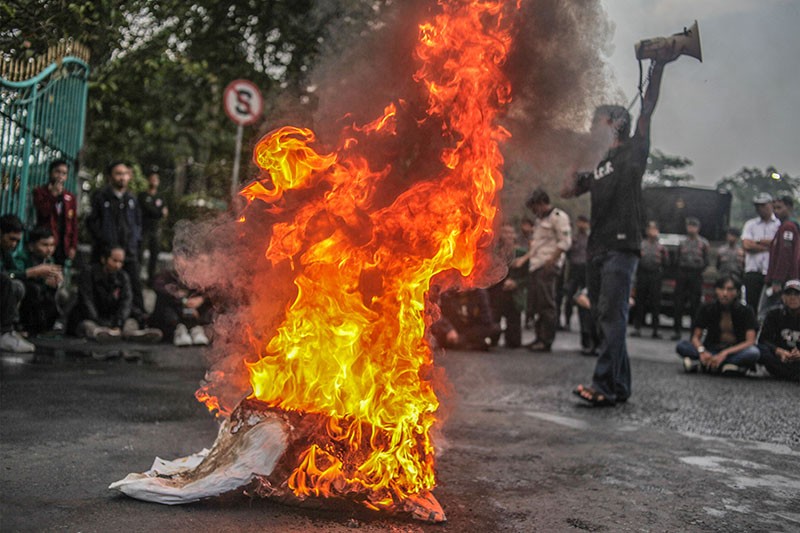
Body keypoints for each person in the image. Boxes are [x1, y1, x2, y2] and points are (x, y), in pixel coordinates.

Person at [561, 48, 677, 406]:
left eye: (598, 123)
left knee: (612, 316)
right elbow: (567, 188)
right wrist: (580, 157)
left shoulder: (633, 152)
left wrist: (657, 67)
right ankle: (620, 386)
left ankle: (605, 385)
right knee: (602, 317)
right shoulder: (600, 164)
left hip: (621, 247)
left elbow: (648, 109)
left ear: (614, 125)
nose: (592, 128)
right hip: (597, 247)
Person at [512, 188, 571, 352]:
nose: (534, 211)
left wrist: (551, 261)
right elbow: (536, 246)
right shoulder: (540, 220)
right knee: (537, 304)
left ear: (541, 203)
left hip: (547, 266)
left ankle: (546, 340)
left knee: (547, 304)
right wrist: (523, 260)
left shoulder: (558, 217)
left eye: (535, 207)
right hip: (536, 266)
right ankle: (538, 337)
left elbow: (564, 242)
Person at [86, 161, 146, 318]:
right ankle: (98, 318)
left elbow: (138, 225)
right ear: (110, 176)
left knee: (134, 285)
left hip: (129, 252)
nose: (122, 177)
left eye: (125, 173)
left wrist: (134, 244)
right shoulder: (100, 197)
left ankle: (138, 319)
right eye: (118, 173)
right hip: (106, 252)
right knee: (102, 285)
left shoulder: (132, 199)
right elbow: (92, 223)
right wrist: (106, 243)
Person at [68, 246, 162, 343]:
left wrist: (119, 323)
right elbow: (86, 302)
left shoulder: (123, 277)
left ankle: (132, 334)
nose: (118, 265)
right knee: (88, 325)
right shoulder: (88, 273)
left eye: (121, 262)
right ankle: (101, 334)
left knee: (130, 323)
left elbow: (126, 302)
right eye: (114, 261)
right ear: (104, 259)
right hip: (91, 317)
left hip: (113, 318)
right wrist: (100, 322)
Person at [675, 274, 760, 375]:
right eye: (721, 289)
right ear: (716, 290)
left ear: (736, 292)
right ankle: (723, 366)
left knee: (753, 353)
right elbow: (695, 337)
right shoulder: (707, 308)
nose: (725, 293)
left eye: (729, 290)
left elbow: (750, 341)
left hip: (733, 351)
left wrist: (725, 353)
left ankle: (705, 364)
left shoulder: (746, 311)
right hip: (712, 350)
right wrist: (702, 351)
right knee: (682, 346)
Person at [150, 255, 212, 347]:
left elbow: (214, 291)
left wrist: (201, 299)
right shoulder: (166, 276)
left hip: (193, 313)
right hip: (175, 314)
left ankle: (197, 329)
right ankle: (178, 330)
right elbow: (161, 289)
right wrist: (183, 302)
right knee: (165, 302)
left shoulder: (197, 278)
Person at [759, 195, 800, 321]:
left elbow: (785, 255)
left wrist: (777, 280)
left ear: (789, 208)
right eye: (774, 208)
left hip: (781, 281)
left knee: (765, 313)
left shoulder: (788, 227)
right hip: (780, 279)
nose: (776, 211)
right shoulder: (782, 228)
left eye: (780, 208)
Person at [16, 227, 63, 335]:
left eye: (52, 245)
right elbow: (17, 275)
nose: (49, 249)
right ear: (32, 246)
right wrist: (36, 274)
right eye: (45, 245)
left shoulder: (49, 260)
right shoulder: (23, 258)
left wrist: (56, 282)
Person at [488, 223, 528, 349]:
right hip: (497, 292)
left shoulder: (522, 254)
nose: (509, 236)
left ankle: (511, 338)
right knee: (494, 321)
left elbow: (529, 276)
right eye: (505, 233)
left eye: (511, 233)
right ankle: (493, 337)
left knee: (514, 342)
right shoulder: (494, 253)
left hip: (514, 294)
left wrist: (516, 283)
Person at [0, 215, 37, 352]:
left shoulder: (5, 251)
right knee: (6, 281)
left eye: (17, 241)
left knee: (18, 286)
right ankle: (4, 333)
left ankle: (10, 329)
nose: (14, 244)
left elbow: (14, 271)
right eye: (11, 239)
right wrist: (30, 272)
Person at [32, 159, 78, 266]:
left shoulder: (69, 197)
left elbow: (74, 223)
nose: (60, 176)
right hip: (46, 240)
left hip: (63, 243)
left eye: (64, 173)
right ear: (50, 172)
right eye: (57, 171)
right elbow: (43, 212)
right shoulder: (40, 192)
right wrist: (53, 195)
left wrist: (73, 246)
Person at [741, 192, 780, 313]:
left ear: (770, 205)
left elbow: (778, 245)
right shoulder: (750, 224)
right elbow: (747, 245)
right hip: (753, 271)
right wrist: (768, 246)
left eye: (763, 205)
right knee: (751, 306)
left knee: (769, 308)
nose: (760, 209)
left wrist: (756, 242)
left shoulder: (779, 225)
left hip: (770, 273)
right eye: (758, 206)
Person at [671, 217, 709, 340]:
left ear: (698, 228)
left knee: (695, 305)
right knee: (678, 303)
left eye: (694, 226)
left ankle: (694, 334)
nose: (691, 229)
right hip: (682, 274)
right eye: (689, 226)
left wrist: (699, 270)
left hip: (696, 275)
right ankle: (677, 331)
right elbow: (676, 259)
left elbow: (706, 261)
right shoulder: (682, 243)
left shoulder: (703, 243)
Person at [757, 279, 800, 382]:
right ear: (783, 297)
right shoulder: (774, 314)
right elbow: (763, 340)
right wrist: (779, 351)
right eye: (789, 294)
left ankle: (788, 373)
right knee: (757, 351)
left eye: (797, 294)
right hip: (780, 356)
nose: (792, 297)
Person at [431, 287, 498, 351]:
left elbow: (486, 319)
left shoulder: (479, 293)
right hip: (453, 328)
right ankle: (468, 344)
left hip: (471, 330)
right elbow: (440, 314)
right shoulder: (447, 293)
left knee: (495, 329)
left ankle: (462, 343)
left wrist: (464, 337)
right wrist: (449, 329)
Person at [632, 220, 668, 339]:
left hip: (655, 276)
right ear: (647, 231)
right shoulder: (641, 244)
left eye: (654, 229)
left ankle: (655, 330)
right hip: (643, 275)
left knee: (655, 303)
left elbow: (666, 262)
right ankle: (637, 328)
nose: (652, 231)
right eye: (650, 229)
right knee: (640, 302)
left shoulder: (661, 247)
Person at [137, 169, 169, 285]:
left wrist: (155, 212)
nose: (154, 181)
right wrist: (158, 212)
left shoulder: (160, 197)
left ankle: (151, 281)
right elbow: (146, 209)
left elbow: (165, 213)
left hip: (155, 230)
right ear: (148, 180)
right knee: (139, 254)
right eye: (152, 179)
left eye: (156, 179)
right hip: (143, 229)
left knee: (154, 255)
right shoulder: (142, 195)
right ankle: (137, 279)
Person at [562, 215, 589, 332]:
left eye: (584, 223)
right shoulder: (573, 238)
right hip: (574, 268)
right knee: (570, 295)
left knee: (585, 296)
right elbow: (567, 253)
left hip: (586, 269)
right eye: (580, 222)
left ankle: (586, 325)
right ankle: (567, 322)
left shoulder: (590, 238)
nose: (582, 225)